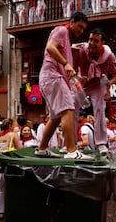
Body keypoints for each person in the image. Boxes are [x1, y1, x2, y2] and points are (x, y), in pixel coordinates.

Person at [35, 12, 93, 160]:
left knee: (55, 118)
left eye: (83, 29)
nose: (81, 31)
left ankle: (41, 149)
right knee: (68, 110)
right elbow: (50, 47)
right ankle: (72, 151)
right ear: (72, 22)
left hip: (50, 78)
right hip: (53, 77)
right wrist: (66, 63)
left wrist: (77, 77)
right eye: (79, 26)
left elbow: (60, 58)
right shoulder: (61, 30)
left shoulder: (66, 40)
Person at [73, 27, 116, 157]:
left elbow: (115, 75)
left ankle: (101, 143)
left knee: (99, 110)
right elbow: (73, 70)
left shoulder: (109, 56)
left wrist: (109, 83)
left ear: (102, 42)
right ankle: (71, 143)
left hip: (98, 85)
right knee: (72, 108)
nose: (92, 43)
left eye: (96, 41)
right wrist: (79, 79)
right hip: (82, 84)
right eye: (90, 39)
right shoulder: (81, 51)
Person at [0, 118, 21, 220]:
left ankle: (0, 211)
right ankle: (13, 209)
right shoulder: (13, 135)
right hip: (11, 165)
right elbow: (19, 150)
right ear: (10, 126)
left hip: (0, 165)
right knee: (13, 188)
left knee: (1, 189)